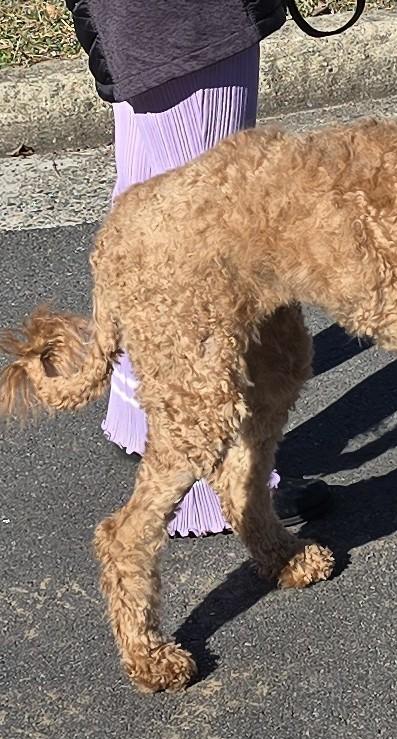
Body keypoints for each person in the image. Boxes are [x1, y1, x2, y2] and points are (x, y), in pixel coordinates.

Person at [64, 0, 331, 536]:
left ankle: (139, 420)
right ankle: (219, 491)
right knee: (211, 252)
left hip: (137, 21)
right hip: (185, 17)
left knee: (154, 202)